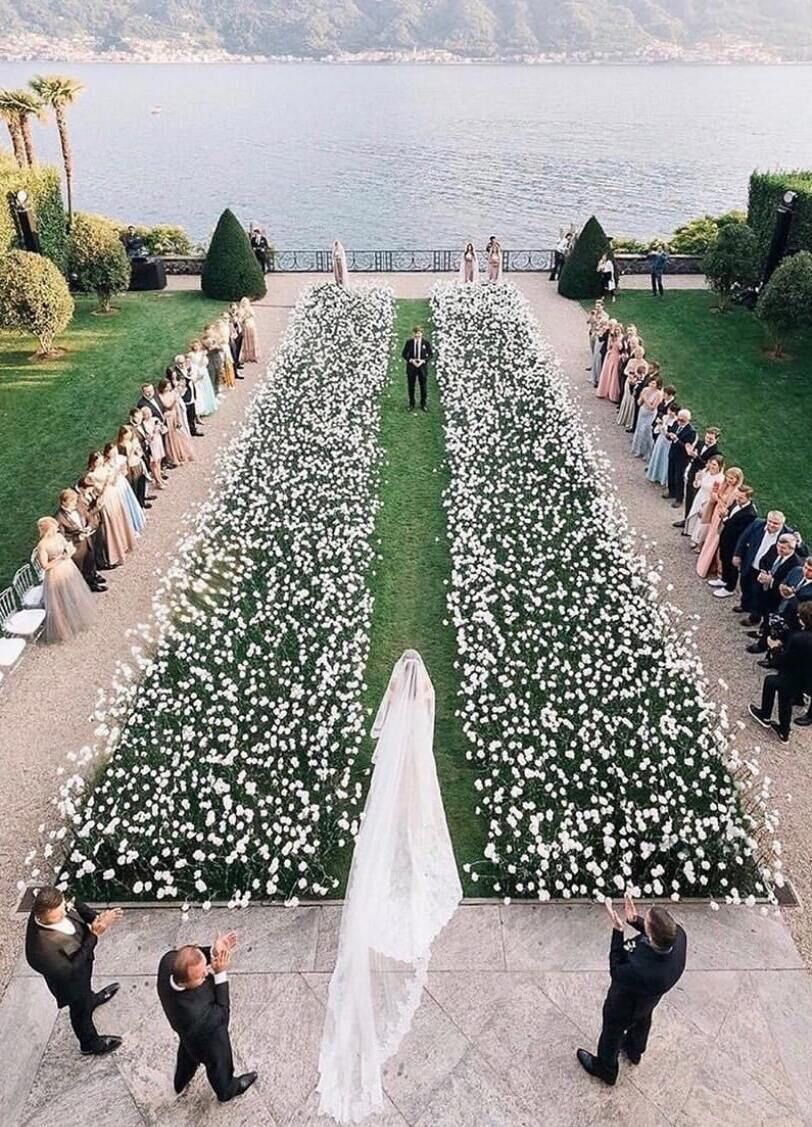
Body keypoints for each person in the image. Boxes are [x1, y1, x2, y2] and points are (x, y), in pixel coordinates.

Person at [317, 651, 461, 1122]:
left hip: (402, 766)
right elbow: (427, 712)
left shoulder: (401, 693)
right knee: (415, 815)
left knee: (394, 814)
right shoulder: (421, 696)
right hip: (416, 766)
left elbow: (387, 723)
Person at [577, 895, 686, 1086]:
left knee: (612, 1031)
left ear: (651, 938)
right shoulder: (679, 938)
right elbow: (659, 935)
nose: (645, 922)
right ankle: (635, 1050)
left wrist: (618, 930)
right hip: (649, 999)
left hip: (625, 1005)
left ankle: (606, 1069)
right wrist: (635, 921)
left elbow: (616, 969)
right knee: (643, 1019)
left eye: (647, 922)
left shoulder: (640, 971)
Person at [157, 930, 257, 1103]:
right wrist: (220, 974)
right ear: (187, 984)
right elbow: (223, 1015)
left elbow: (193, 956)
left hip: (186, 1033)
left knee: (188, 1052)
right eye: (202, 975)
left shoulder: (169, 962)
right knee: (218, 1063)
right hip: (208, 1038)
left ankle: (181, 1080)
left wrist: (214, 952)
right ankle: (227, 1090)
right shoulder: (198, 1014)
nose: (207, 973)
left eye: (205, 967)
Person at [25, 886, 123, 1055]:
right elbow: (72, 969)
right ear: (41, 916)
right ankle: (89, 1044)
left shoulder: (52, 897)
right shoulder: (41, 951)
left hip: (81, 964)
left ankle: (91, 999)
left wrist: (95, 918)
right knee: (80, 1011)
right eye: (58, 917)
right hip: (70, 982)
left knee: (86, 994)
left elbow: (75, 903)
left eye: (63, 909)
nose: (65, 915)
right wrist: (95, 934)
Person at [749, 602, 812, 743]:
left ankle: (765, 715)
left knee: (773, 684)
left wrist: (774, 648)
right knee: (782, 696)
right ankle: (783, 730)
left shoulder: (800, 638)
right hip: (806, 679)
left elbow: (784, 660)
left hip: (794, 676)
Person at [34, 516, 97, 641]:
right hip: (55, 572)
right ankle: (63, 628)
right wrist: (60, 558)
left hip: (67, 567)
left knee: (73, 593)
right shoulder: (42, 545)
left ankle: (78, 620)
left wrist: (69, 551)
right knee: (59, 600)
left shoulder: (58, 537)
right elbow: (45, 565)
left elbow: (67, 547)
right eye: (54, 527)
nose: (57, 529)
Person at [731, 510, 787, 621]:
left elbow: (802, 552)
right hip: (751, 563)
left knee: (758, 594)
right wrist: (737, 554)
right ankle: (745, 605)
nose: (771, 525)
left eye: (775, 523)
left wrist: (799, 542)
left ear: (782, 524)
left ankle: (754, 617)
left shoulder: (786, 534)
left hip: (765, 571)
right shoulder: (757, 524)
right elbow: (743, 538)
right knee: (745, 585)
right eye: (770, 521)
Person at [87, 450, 136, 567]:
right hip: (105, 498)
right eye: (97, 459)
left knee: (120, 518)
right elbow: (97, 490)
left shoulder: (105, 468)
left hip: (113, 494)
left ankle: (125, 543)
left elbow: (113, 482)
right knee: (112, 522)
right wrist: (107, 482)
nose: (100, 460)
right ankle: (116, 551)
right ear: (93, 463)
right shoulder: (91, 476)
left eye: (100, 458)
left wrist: (114, 475)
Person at [695, 466, 744, 578]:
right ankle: (706, 561)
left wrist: (718, 498)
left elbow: (727, 505)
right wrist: (716, 494)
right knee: (710, 537)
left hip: (722, 516)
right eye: (728, 477)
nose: (729, 480)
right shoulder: (725, 485)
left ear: (738, 479)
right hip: (716, 513)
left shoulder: (736, 491)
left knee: (715, 540)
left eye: (732, 478)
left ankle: (711, 565)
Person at [710, 485, 758, 598]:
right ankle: (724, 579)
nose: (738, 500)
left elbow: (739, 530)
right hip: (726, 537)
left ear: (749, 498)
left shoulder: (750, 514)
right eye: (737, 497)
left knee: (732, 565)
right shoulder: (736, 504)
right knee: (724, 559)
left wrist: (725, 518)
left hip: (735, 543)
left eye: (741, 498)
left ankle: (730, 587)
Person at [55, 488, 105, 592]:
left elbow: (89, 517)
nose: (75, 503)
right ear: (64, 502)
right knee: (81, 568)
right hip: (77, 549)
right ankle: (85, 587)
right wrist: (78, 538)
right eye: (73, 501)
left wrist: (89, 527)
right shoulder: (60, 519)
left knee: (90, 561)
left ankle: (93, 580)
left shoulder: (78, 507)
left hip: (87, 541)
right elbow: (62, 538)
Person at [675, 428, 722, 529]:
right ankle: (686, 520)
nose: (708, 440)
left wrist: (696, 457)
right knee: (689, 499)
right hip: (692, 472)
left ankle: (693, 526)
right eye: (707, 437)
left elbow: (709, 466)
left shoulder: (716, 453)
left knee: (696, 501)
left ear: (716, 439)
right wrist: (690, 454)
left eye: (711, 439)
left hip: (703, 479)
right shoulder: (700, 443)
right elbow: (693, 454)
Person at [685, 455, 725, 547]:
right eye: (711, 463)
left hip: (708, 499)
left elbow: (716, 493)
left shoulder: (720, 479)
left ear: (719, 466)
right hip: (700, 496)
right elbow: (698, 484)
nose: (712, 466)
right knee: (695, 514)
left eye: (714, 465)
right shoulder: (706, 472)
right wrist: (697, 480)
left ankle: (698, 540)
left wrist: (707, 505)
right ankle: (691, 533)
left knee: (701, 519)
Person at [158, 378, 195, 465]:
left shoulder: (172, 393)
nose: (169, 387)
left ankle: (181, 454)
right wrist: (174, 401)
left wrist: (178, 418)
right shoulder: (161, 396)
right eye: (167, 386)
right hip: (168, 417)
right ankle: (174, 456)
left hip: (174, 415)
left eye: (169, 385)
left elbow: (176, 408)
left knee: (179, 435)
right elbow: (167, 406)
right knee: (171, 437)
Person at [664, 409, 696, 506]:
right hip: (673, 452)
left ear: (687, 420)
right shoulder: (676, 423)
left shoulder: (691, 432)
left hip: (682, 457)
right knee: (671, 472)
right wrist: (669, 435)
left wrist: (677, 440)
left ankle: (679, 498)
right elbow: (670, 432)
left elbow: (687, 447)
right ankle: (671, 491)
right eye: (679, 419)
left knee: (679, 477)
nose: (679, 422)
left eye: (682, 420)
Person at [630, 375, 664, 460]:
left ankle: (647, 453)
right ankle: (638, 450)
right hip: (642, 411)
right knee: (639, 430)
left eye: (654, 383)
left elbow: (652, 407)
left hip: (650, 414)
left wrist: (645, 398)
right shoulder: (645, 389)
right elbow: (639, 402)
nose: (651, 385)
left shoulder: (658, 394)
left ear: (657, 385)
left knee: (647, 432)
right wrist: (641, 398)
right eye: (651, 382)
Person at [401, 324, 434, 412]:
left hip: (422, 368)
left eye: (419, 333)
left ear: (422, 334)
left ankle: (423, 404)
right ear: (413, 334)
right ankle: (412, 404)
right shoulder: (409, 342)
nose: (417, 335)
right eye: (416, 333)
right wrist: (412, 360)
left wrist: (423, 361)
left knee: (423, 386)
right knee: (411, 386)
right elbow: (404, 354)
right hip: (412, 367)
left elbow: (430, 355)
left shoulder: (426, 343)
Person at [596, 320, 623, 402]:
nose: (617, 331)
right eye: (616, 330)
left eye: (619, 330)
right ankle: (603, 390)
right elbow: (609, 347)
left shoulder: (622, 338)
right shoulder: (612, 337)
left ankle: (612, 393)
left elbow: (622, 349)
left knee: (614, 374)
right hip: (611, 355)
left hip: (617, 357)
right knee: (607, 373)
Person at [239, 297, 259, 362]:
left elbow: (252, 315)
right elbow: (241, 320)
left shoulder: (246, 309)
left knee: (250, 341)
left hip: (249, 325)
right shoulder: (245, 310)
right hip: (249, 325)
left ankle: (251, 356)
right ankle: (250, 356)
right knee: (250, 341)